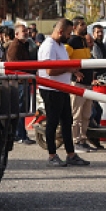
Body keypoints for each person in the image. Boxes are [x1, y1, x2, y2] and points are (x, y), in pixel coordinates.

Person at [38, 18, 90, 167]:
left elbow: (64, 65)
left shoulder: (60, 45)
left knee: (67, 122)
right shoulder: (49, 46)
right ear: (60, 31)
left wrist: (73, 71)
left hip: (62, 88)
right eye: (68, 33)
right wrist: (68, 69)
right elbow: (50, 70)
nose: (69, 36)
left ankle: (71, 154)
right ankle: (52, 155)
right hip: (51, 89)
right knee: (53, 123)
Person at [66, 17, 96, 154]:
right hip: (77, 84)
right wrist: (74, 71)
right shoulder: (71, 41)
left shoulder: (84, 41)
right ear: (75, 27)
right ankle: (75, 141)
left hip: (88, 83)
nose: (85, 27)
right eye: (82, 25)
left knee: (86, 114)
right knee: (76, 115)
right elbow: (63, 59)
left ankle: (83, 139)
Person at [7, 23, 37, 144]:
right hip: (19, 81)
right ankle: (19, 135)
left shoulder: (25, 45)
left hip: (24, 80)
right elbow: (15, 65)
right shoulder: (15, 46)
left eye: (27, 30)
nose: (26, 32)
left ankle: (22, 134)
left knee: (23, 108)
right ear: (16, 34)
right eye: (23, 31)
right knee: (19, 108)